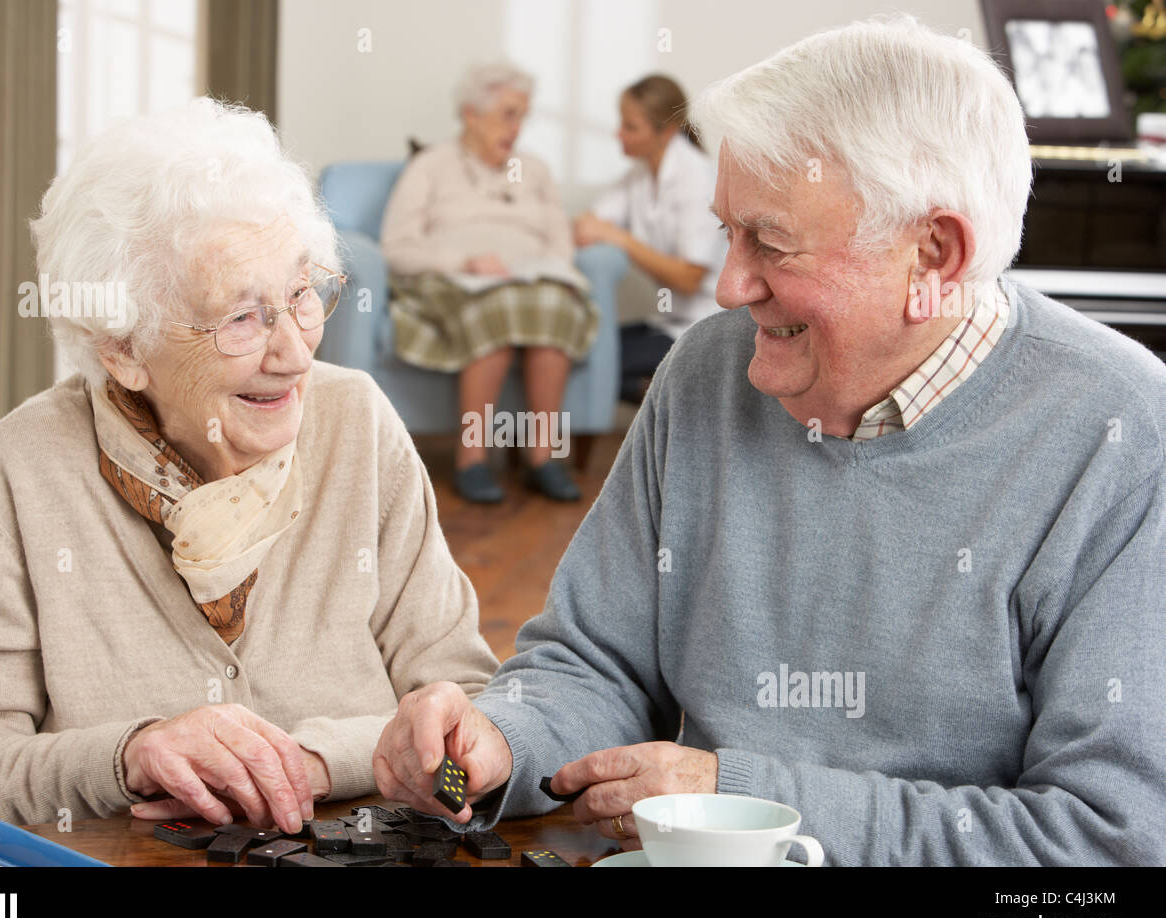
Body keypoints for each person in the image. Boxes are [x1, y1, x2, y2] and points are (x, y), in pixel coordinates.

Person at [371, 17, 1166, 865]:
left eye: (771, 244)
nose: (727, 286)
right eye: (728, 233)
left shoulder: (1126, 434)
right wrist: (502, 740)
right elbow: (595, 663)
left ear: (933, 254)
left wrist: (746, 801)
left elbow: (1106, 842)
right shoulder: (708, 369)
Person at [0, 98, 499, 829]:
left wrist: (310, 765)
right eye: (241, 318)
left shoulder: (358, 425)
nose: (295, 352)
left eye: (302, 294)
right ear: (121, 347)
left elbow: (467, 711)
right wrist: (130, 756)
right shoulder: (26, 468)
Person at [380, 62, 596, 504]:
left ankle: (542, 459)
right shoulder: (431, 165)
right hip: (455, 280)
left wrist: (548, 270)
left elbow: (560, 242)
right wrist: (465, 260)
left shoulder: (532, 170)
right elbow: (397, 248)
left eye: (522, 116)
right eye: (507, 114)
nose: (517, 128)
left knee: (554, 305)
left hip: (529, 280)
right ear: (471, 115)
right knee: (496, 309)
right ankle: (472, 460)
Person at [573, 75, 723, 404]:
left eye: (630, 126)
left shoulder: (697, 178)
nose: (619, 134)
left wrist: (621, 239)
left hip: (708, 324)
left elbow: (688, 277)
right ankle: (658, 399)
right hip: (669, 322)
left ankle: (662, 400)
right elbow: (588, 224)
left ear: (666, 131)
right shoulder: (640, 175)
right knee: (580, 347)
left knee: (597, 363)